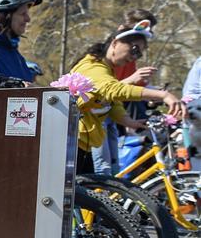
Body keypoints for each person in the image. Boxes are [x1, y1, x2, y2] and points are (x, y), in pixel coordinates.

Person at [72, 20, 185, 174]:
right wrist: (163, 95)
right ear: (115, 43)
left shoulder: (107, 68)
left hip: (83, 143)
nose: (135, 57)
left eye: (139, 53)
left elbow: (110, 101)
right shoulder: (92, 66)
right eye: (134, 49)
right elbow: (112, 90)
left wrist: (128, 121)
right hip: (71, 144)